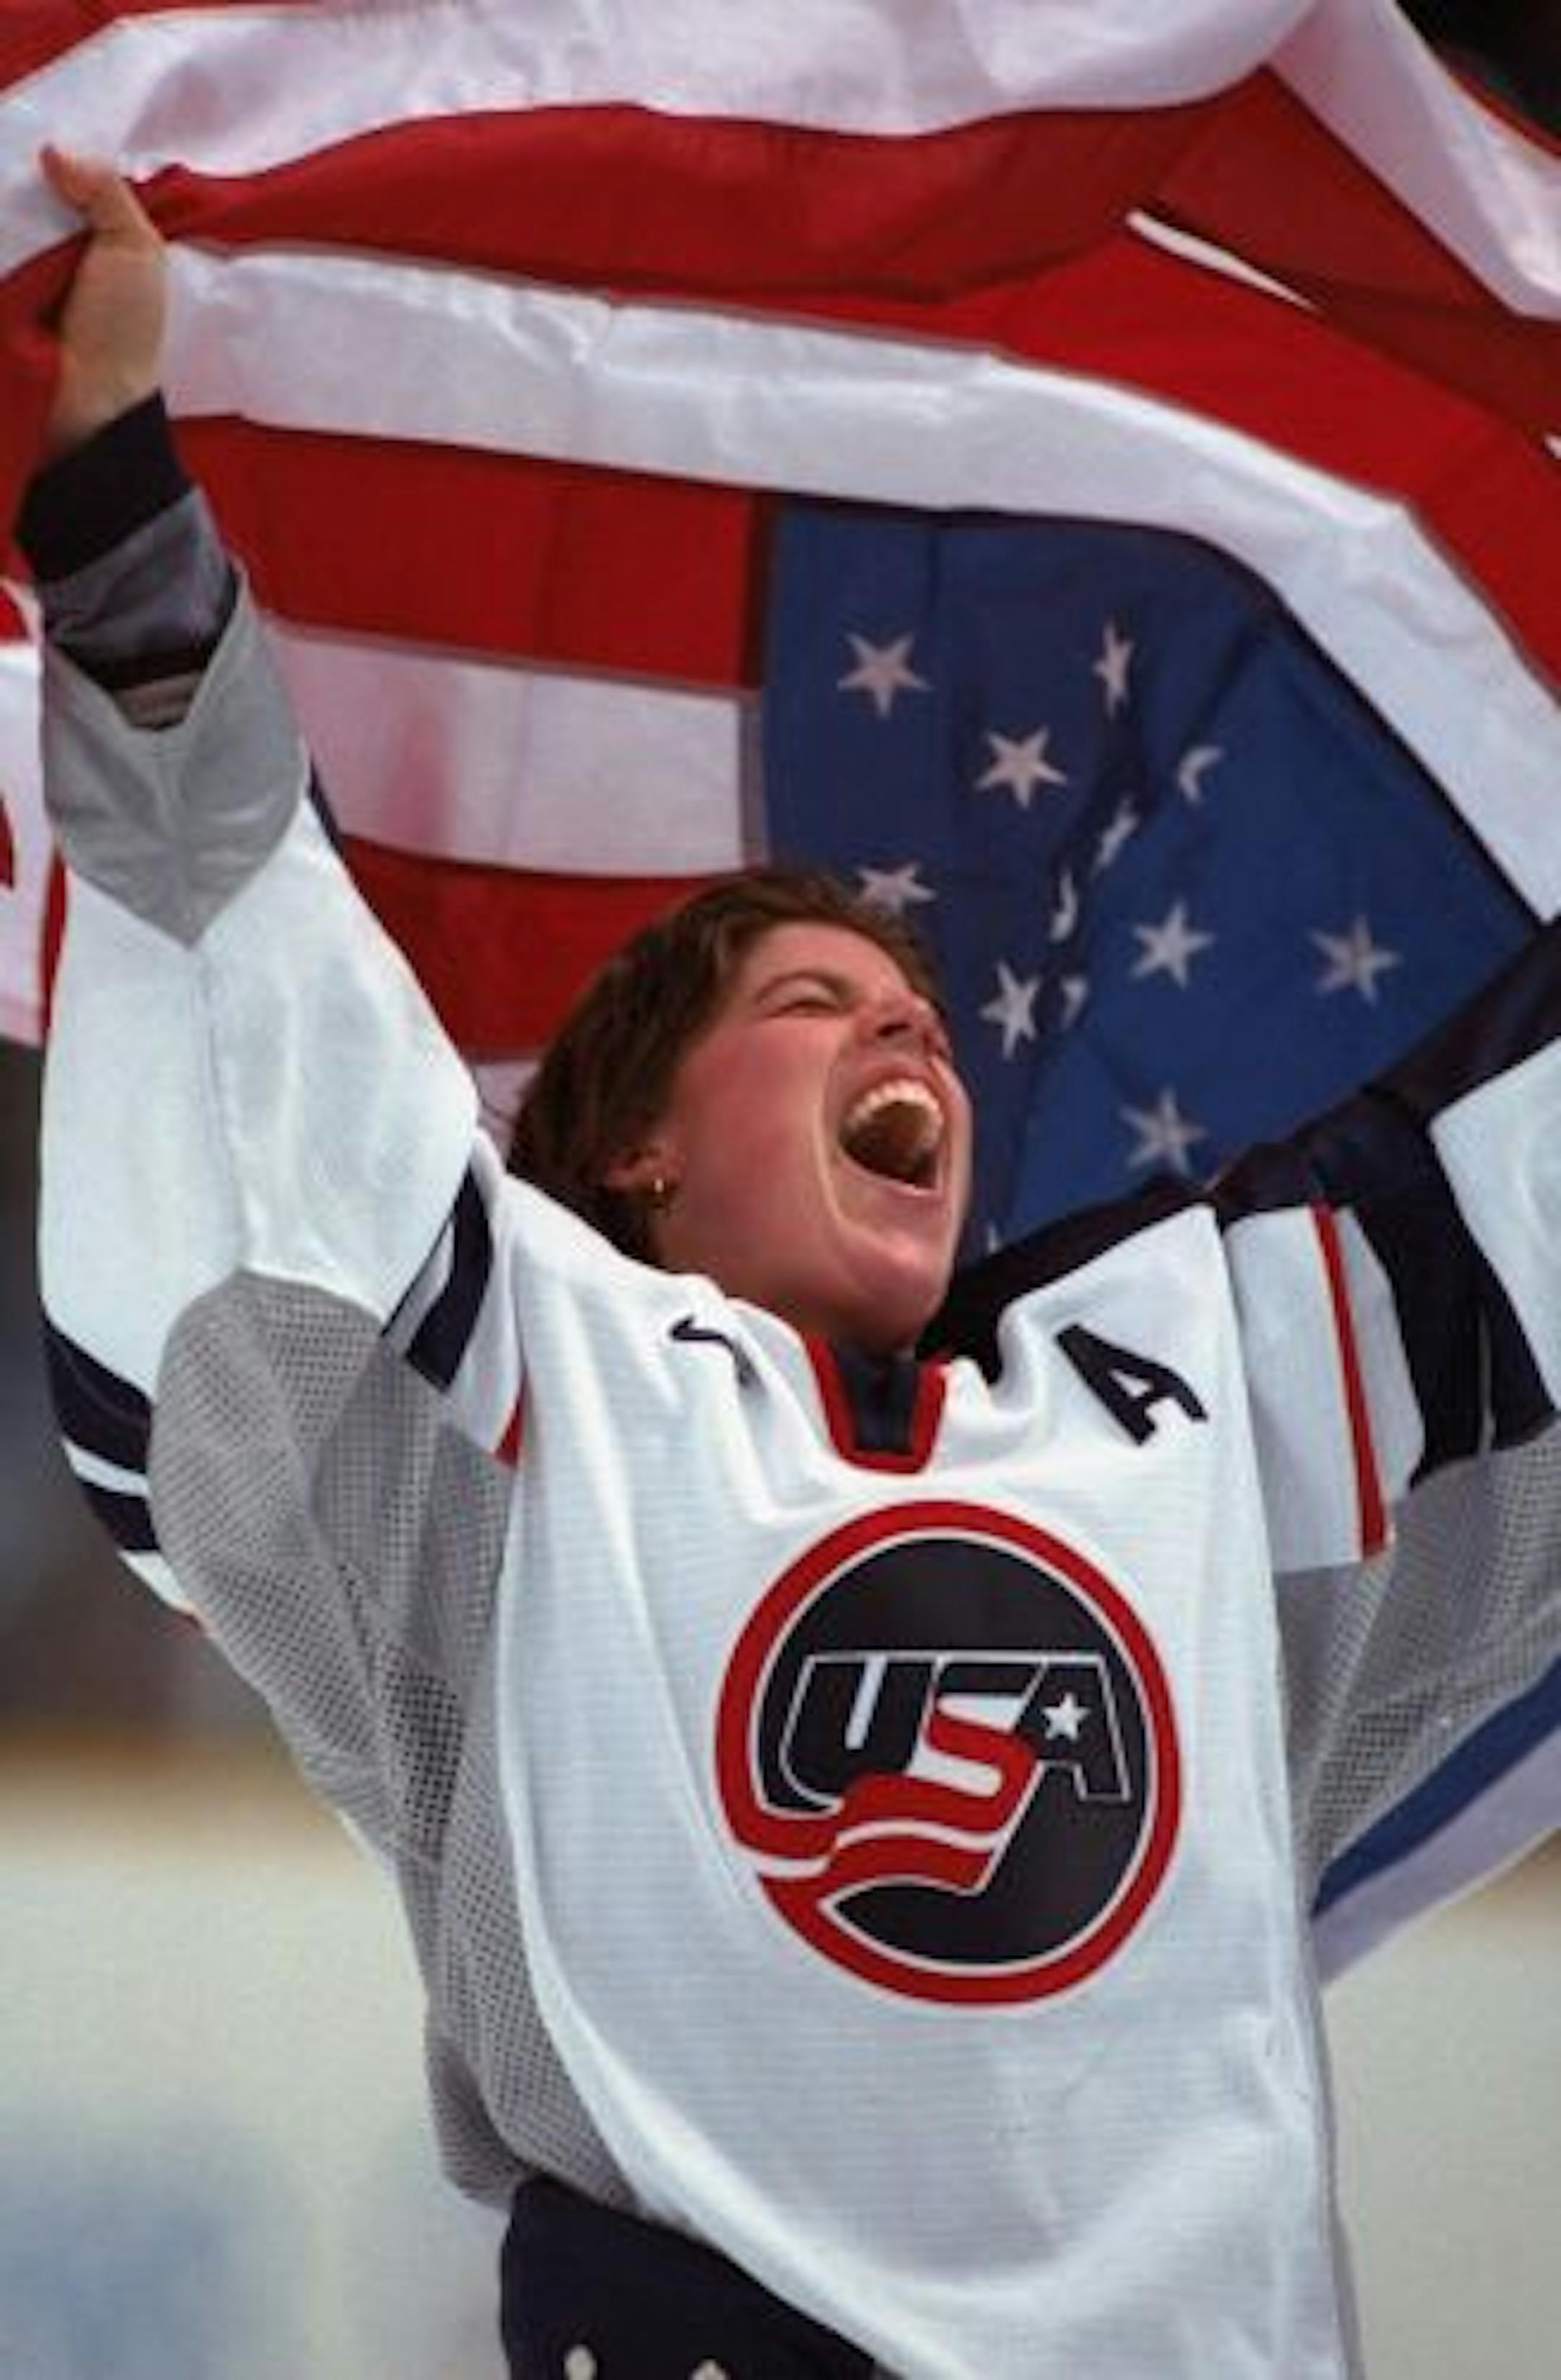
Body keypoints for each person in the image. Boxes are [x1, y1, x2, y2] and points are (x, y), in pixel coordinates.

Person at [22, 150, 1561, 2380]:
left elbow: (1518, 1199)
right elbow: (272, 1078)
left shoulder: (1192, 1391)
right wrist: (123, 534)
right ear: (633, 1146)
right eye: (813, 1004)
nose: (903, 1021)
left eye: (912, 1005)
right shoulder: (517, 1425)